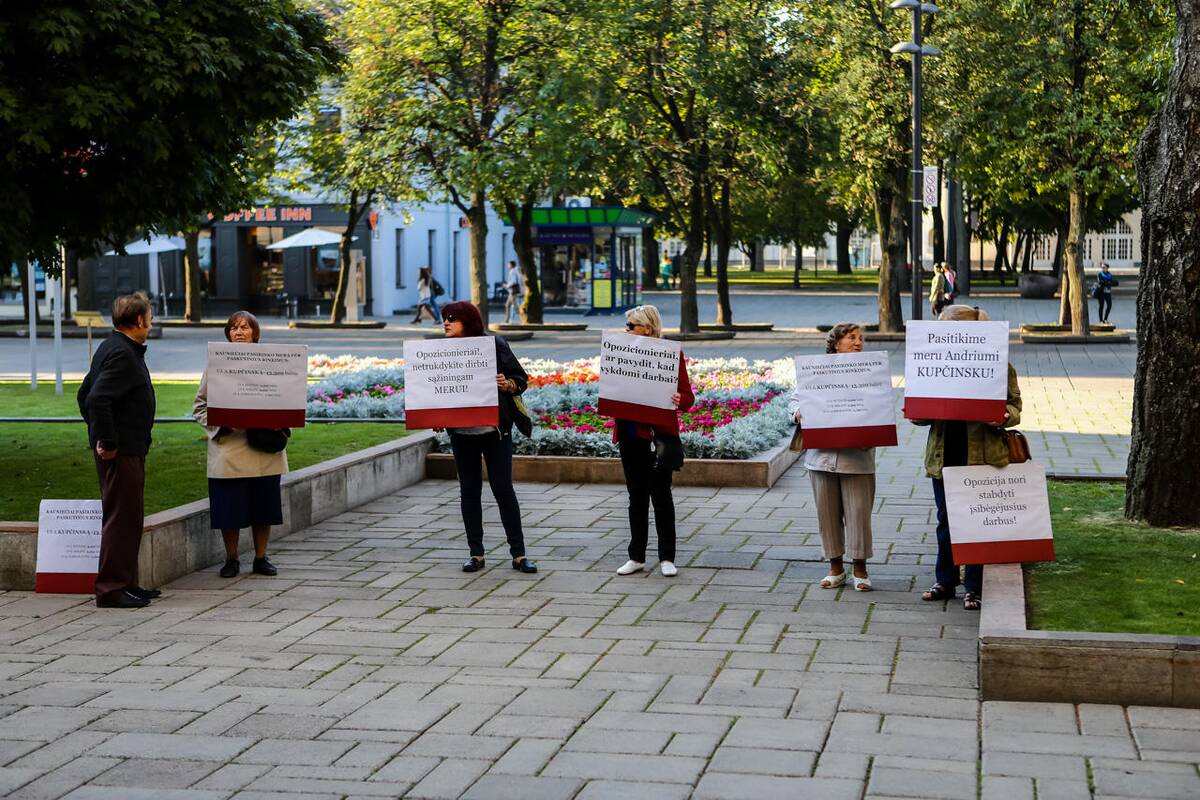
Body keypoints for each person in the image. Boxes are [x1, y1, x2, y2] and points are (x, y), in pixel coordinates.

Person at [912, 304, 1022, 611]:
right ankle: (945, 581)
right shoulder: (934, 361)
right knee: (946, 520)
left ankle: (974, 586)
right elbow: (923, 409)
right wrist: (918, 413)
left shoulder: (997, 362)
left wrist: (1003, 416)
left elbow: (1015, 406)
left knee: (977, 522)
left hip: (982, 454)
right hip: (944, 453)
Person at [439, 300, 537, 574]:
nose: (446, 323)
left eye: (452, 318)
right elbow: (437, 390)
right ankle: (476, 554)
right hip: (462, 435)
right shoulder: (440, 353)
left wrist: (507, 384)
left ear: (468, 321)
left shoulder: (494, 345)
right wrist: (435, 417)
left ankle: (519, 555)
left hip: (495, 432)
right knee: (469, 492)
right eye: (444, 318)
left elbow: (520, 379)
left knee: (503, 489)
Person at [77, 292, 159, 609]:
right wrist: (107, 442)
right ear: (139, 320)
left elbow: (84, 393)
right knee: (121, 518)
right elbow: (96, 398)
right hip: (121, 451)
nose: (150, 323)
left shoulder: (114, 347)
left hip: (128, 448)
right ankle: (111, 589)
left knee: (129, 517)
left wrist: (98, 435)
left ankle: (127, 583)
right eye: (149, 318)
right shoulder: (122, 353)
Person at [193, 311, 287, 579]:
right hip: (229, 448)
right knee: (229, 509)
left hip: (263, 449)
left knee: (264, 508)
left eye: (245, 327)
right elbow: (199, 406)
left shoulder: (274, 364)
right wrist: (222, 424)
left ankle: (261, 558)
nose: (238, 332)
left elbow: (286, 398)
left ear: (255, 333)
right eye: (234, 328)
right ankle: (231, 558)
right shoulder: (215, 366)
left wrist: (279, 420)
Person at [788, 323, 875, 592]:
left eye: (861, 338)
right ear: (836, 344)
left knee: (858, 514)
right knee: (827, 515)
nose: (858, 342)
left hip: (857, 457)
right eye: (852, 338)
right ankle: (835, 568)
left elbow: (881, 405)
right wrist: (799, 412)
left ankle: (860, 569)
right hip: (821, 456)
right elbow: (794, 401)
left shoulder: (871, 372)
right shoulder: (815, 371)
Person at [613, 305, 695, 577]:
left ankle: (667, 558)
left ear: (647, 328)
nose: (626, 329)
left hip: (658, 437)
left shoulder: (669, 355)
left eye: (631, 325)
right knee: (636, 497)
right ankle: (636, 556)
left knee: (661, 497)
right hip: (629, 434)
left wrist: (680, 399)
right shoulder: (621, 352)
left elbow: (688, 397)